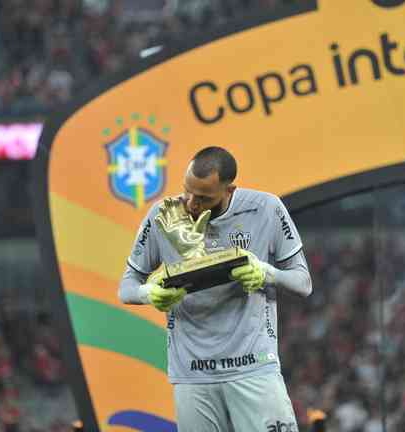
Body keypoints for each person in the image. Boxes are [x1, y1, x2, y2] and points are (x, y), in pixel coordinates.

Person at [119, 146, 312, 431]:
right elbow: (126, 287)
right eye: (187, 191)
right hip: (192, 373)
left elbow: (303, 282)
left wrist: (266, 273)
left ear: (229, 190)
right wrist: (149, 293)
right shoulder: (164, 216)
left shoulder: (266, 209)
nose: (191, 203)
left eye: (204, 197)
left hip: (253, 366)